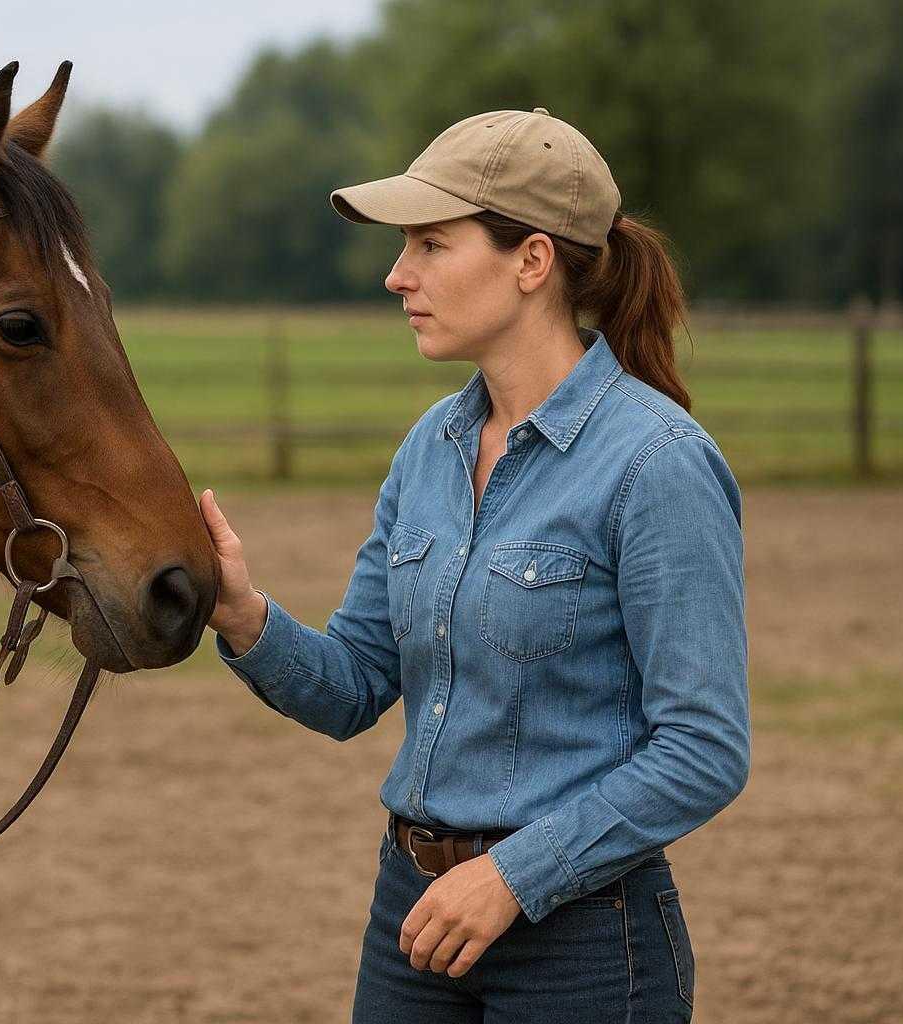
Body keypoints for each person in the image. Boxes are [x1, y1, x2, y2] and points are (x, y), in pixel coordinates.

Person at [198, 107, 749, 1023]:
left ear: (532, 262)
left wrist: (512, 878)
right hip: (411, 925)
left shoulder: (658, 465)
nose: (397, 274)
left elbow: (705, 749)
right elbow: (353, 688)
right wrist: (244, 615)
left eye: (430, 244)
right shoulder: (429, 449)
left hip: (582, 944)